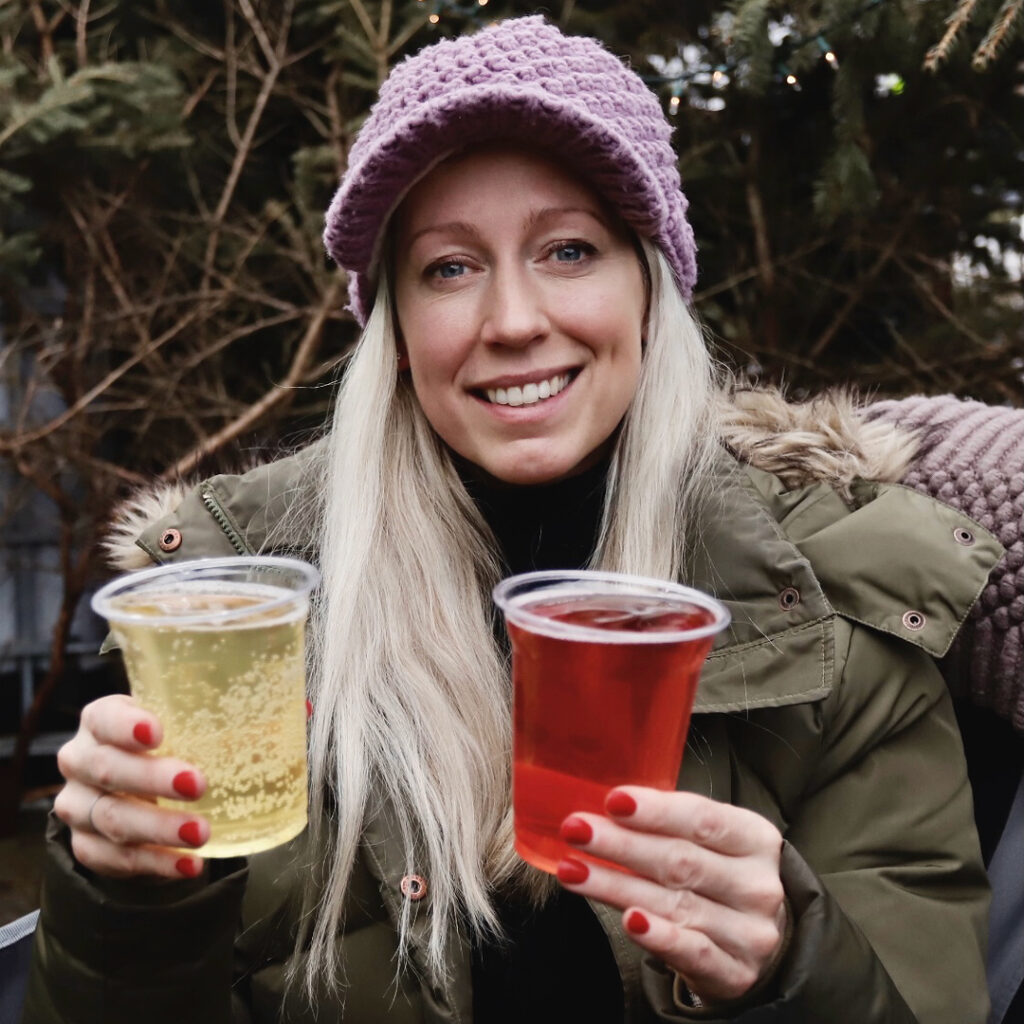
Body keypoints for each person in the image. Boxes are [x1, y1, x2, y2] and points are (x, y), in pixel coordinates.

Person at [22, 16, 1003, 1024]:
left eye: (569, 249)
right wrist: (124, 902)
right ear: (395, 327)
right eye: (449, 267)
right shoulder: (243, 598)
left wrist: (795, 962)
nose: (513, 320)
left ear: (649, 290)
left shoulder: (834, 601)